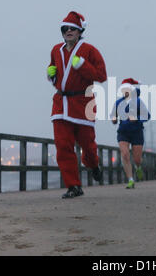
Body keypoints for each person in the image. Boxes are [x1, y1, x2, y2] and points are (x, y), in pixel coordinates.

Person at [46, 11, 107, 199]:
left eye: (73, 28)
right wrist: (51, 75)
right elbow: (56, 74)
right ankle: (73, 186)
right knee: (63, 146)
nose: (69, 31)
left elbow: (101, 76)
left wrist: (82, 65)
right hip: (60, 103)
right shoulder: (56, 50)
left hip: (83, 103)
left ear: (80, 31)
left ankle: (94, 165)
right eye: (65, 28)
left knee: (88, 146)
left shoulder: (90, 50)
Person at [110, 78, 150, 189]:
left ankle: (138, 167)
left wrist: (137, 119)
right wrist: (114, 119)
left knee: (137, 159)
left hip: (137, 132)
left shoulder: (138, 101)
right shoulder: (118, 103)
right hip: (123, 132)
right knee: (125, 155)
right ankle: (130, 180)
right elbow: (113, 116)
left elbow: (147, 116)